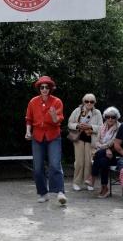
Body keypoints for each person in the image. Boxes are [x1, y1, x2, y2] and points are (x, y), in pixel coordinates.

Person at [25, 75, 67, 204]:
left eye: (47, 87)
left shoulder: (57, 101)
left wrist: (54, 115)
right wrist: (28, 132)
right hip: (37, 136)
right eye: (42, 87)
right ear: (39, 88)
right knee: (38, 167)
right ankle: (44, 193)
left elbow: (57, 122)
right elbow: (29, 119)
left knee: (55, 164)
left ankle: (60, 191)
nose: (44, 89)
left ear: (50, 88)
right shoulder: (33, 101)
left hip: (53, 135)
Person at [68, 94, 102, 192]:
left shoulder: (97, 112)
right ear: (84, 102)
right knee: (79, 161)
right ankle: (76, 182)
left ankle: (88, 182)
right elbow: (70, 123)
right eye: (87, 101)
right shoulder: (77, 111)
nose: (89, 103)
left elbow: (101, 127)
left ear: (94, 103)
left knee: (88, 161)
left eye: (92, 102)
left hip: (91, 139)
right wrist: (78, 125)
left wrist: (90, 126)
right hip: (78, 138)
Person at [86, 106, 122, 198]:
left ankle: (93, 177)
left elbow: (113, 141)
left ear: (116, 118)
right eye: (108, 117)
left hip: (115, 155)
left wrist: (101, 148)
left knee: (99, 153)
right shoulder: (102, 127)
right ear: (105, 117)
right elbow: (96, 141)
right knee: (103, 161)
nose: (110, 119)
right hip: (103, 154)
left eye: (113, 117)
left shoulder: (119, 128)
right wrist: (105, 149)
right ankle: (104, 187)